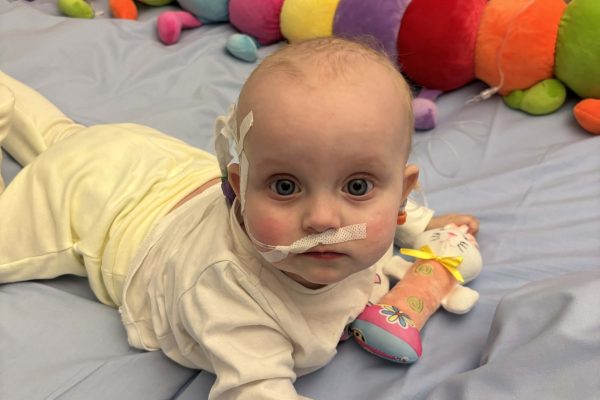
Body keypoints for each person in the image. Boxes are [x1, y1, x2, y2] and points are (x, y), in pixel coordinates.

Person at [0, 37, 479, 399]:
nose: (323, 219)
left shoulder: (357, 226)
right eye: (285, 186)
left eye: (356, 186)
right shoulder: (229, 295)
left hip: (163, 165)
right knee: (60, 154)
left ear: (401, 194)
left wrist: (423, 223)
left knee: (62, 134)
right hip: (102, 203)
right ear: (239, 187)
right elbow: (255, 389)